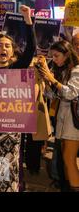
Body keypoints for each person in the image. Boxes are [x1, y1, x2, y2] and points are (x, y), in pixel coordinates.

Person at [0, 5, 35, 192]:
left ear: (12, 52)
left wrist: (28, 20)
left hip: (9, 134)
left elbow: (30, 50)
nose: (3, 48)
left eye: (7, 46)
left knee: (3, 176)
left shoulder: (15, 70)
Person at [36, 41, 79, 192]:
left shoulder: (77, 70)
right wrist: (47, 80)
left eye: (56, 56)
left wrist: (52, 79)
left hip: (73, 122)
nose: (53, 59)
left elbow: (70, 93)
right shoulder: (62, 71)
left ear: (67, 54)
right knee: (65, 160)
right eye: (52, 56)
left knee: (69, 159)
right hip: (63, 120)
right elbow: (52, 95)